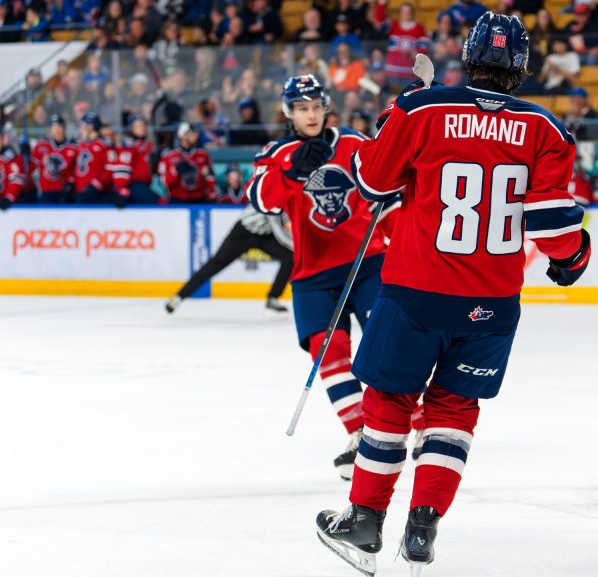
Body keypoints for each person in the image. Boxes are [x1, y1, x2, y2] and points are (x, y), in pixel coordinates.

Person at [315, 13, 591, 576]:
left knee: (390, 402)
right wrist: (574, 257)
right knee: (454, 412)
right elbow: (553, 224)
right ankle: (423, 528)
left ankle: (365, 522)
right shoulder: (547, 128)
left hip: (415, 289)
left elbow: (370, 182)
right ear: (522, 65)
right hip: (492, 302)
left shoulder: (423, 108)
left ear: (466, 55)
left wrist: (402, 105)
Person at [246, 75, 410, 480]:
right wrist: (290, 173)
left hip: (367, 262)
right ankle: (361, 435)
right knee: (330, 357)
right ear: (289, 113)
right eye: (302, 108)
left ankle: (408, 420)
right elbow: (259, 200)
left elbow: (386, 187)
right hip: (313, 274)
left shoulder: (352, 143)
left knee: (385, 348)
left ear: (326, 106)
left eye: (316, 106)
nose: (311, 114)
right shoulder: (278, 152)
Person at [165, 205, 294, 315]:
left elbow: (286, 225)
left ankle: (272, 298)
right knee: (216, 263)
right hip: (244, 232)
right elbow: (279, 231)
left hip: (265, 235)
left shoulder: (290, 197)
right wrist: (296, 247)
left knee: (289, 258)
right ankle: (178, 297)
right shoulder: (273, 194)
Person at [158, 123, 216, 203]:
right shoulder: (169, 156)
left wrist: (211, 193)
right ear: (182, 136)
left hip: (199, 199)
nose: (196, 135)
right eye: (191, 133)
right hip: (177, 199)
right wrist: (175, 170)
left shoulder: (203, 155)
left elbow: (210, 177)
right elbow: (163, 181)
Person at [110, 115, 158, 205]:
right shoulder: (129, 145)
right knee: (157, 201)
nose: (142, 128)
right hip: (134, 185)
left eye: (143, 125)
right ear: (131, 128)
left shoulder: (147, 145)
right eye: (139, 126)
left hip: (146, 185)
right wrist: (121, 188)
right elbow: (122, 167)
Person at [31, 114, 78, 204]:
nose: (57, 131)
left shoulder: (74, 146)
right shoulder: (41, 146)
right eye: (54, 128)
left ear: (64, 128)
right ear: (50, 130)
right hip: (46, 193)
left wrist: (71, 183)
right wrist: (24, 154)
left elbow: (77, 170)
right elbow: (31, 166)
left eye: (59, 127)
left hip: (66, 192)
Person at [74, 112, 115, 204]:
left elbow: (110, 169)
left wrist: (96, 185)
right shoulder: (81, 145)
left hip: (99, 193)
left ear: (91, 127)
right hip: (81, 192)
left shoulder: (105, 144)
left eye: (83, 126)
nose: (81, 129)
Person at [0, 126, 27, 210]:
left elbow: (17, 180)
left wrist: (9, 198)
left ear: (2, 140)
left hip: (9, 205)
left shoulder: (11, 157)